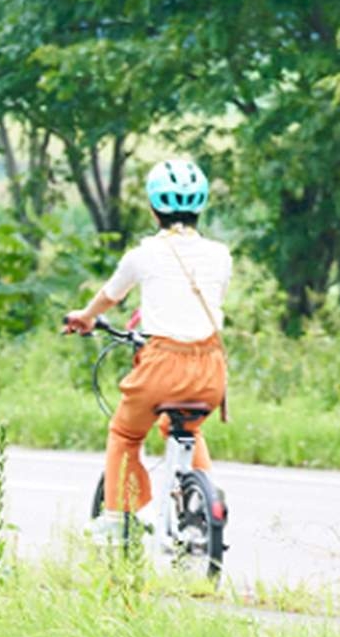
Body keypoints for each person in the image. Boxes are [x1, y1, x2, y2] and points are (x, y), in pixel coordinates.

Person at [63, 159, 233, 544]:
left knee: (125, 431)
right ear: (200, 207)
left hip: (162, 364)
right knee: (188, 426)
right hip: (210, 369)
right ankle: (200, 504)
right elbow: (207, 301)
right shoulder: (221, 255)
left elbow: (109, 296)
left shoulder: (143, 254)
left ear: (154, 208)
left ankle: (117, 516)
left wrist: (85, 318)